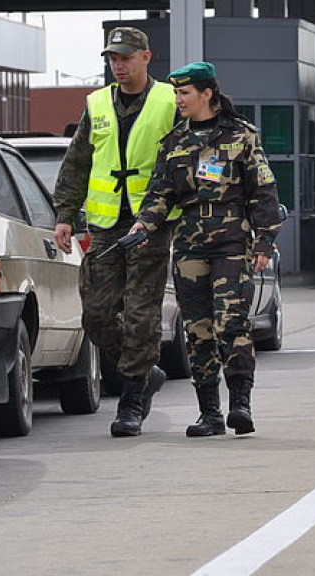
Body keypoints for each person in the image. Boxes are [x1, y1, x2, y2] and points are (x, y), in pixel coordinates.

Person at [129, 61, 282, 437]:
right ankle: (209, 413)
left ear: (206, 94)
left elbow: (263, 191)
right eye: (177, 93)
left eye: (185, 93)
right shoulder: (175, 142)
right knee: (197, 329)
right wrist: (143, 224)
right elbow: (159, 194)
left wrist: (264, 240)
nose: (178, 100)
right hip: (189, 244)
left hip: (231, 240)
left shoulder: (241, 135)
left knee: (231, 322)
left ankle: (241, 405)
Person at [52, 27, 180, 437]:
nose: (118, 65)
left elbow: (186, 159)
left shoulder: (168, 101)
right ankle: (146, 370)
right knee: (96, 314)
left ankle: (131, 400)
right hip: (106, 225)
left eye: (125, 57)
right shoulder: (97, 104)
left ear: (146, 57)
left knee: (142, 313)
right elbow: (77, 162)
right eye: (112, 58)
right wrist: (66, 214)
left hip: (151, 222)